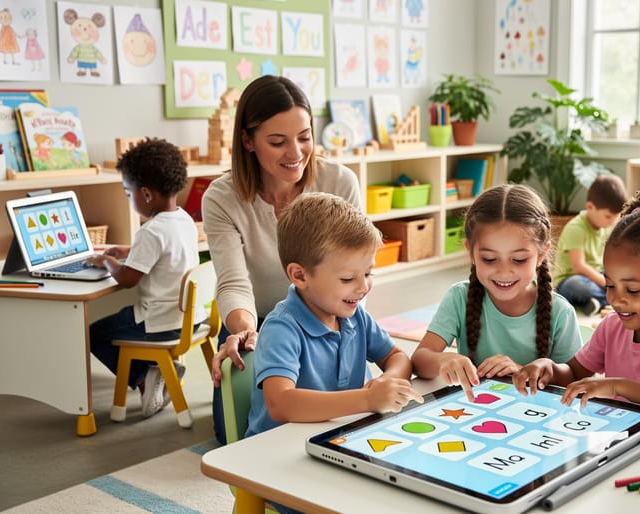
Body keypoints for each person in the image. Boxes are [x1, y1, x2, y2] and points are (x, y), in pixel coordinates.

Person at [202, 75, 361, 443]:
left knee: (330, 420)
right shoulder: (221, 198)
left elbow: (354, 270)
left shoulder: (339, 182)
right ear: (247, 140)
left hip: (325, 315)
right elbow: (233, 281)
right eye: (278, 142)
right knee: (238, 436)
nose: (296, 153)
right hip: (256, 322)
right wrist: (243, 330)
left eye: (304, 137)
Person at [513, 191, 640, 422]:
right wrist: (549, 368)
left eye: (632, 290)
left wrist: (618, 387)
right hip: (628, 441)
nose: (615, 299)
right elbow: (574, 373)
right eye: (610, 284)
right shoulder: (612, 327)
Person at [246, 192, 423, 438]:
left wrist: (388, 380)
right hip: (279, 450)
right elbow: (280, 404)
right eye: (347, 279)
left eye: (368, 273)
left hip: (339, 435)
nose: (363, 287)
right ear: (300, 276)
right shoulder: (282, 328)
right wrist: (366, 399)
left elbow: (397, 357)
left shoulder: (355, 317)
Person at [411, 184, 583, 401]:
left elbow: (575, 380)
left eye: (519, 260)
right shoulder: (459, 298)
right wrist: (444, 360)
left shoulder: (560, 311)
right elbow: (419, 360)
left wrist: (524, 372)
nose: (504, 271)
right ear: (471, 252)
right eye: (489, 259)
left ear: (541, 254)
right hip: (475, 412)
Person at [86, 138, 201, 419]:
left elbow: (127, 279)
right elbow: (167, 253)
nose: (129, 198)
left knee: (93, 334)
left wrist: (108, 261)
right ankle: (159, 370)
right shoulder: (183, 219)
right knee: (116, 323)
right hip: (189, 320)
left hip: (157, 322)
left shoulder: (150, 232)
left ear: (146, 195)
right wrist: (129, 251)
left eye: (128, 192)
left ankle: (144, 376)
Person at [553, 173, 628, 316]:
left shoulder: (606, 227)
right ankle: (613, 299)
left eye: (616, 217)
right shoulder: (576, 228)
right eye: (608, 216)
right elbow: (578, 267)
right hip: (570, 280)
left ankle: (597, 303)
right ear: (590, 206)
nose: (612, 221)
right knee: (577, 286)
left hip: (597, 275)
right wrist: (607, 284)